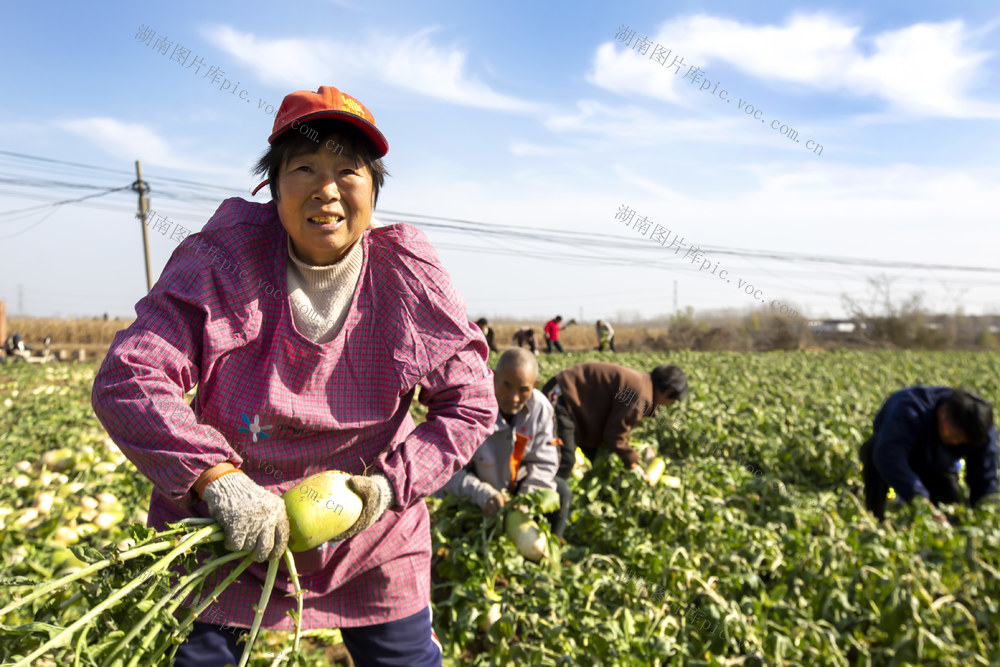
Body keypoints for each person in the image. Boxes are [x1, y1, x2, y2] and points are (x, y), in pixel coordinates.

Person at [91, 85, 495, 667]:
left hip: (369, 535)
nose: (326, 189)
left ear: (373, 190)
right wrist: (218, 481)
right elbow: (129, 376)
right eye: (304, 167)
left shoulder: (406, 275)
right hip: (225, 533)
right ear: (273, 188)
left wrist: (386, 490)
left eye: (347, 169)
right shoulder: (222, 258)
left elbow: (472, 404)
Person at [440, 348, 571, 537]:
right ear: (493, 378)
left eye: (524, 389)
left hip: (519, 491)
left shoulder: (540, 409)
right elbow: (448, 471)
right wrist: (482, 494)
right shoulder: (470, 406)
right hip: (476, 494)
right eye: (507, 385)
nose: (513, 397)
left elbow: (545, 463)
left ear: (535, 385)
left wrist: (527, 499)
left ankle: (542, 561)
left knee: (562, 491)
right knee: (457, 526)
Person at [859, 386, 997, 523]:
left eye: (963, 441)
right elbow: (888, 455)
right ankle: (876, 517)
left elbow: (984, 478)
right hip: (900, 457)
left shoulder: (981, 430)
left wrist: (983, 514)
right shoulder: (909, 408)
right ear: (942, 413)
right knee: (873, 449)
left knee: (949, 516)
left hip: (940, 466)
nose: (956, 442)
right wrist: (919, 498)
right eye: (955, 436)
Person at [542, 362, 687, 480]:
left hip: (573, 404)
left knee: (598, 460)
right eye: (672, 401)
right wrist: (632, 460)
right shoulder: (640, 397)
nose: (666, 406)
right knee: (564, 461)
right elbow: (613, 434)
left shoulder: (643, 385)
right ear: (668, 392)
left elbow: (616, 426)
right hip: (561, 394)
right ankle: (544, 507)